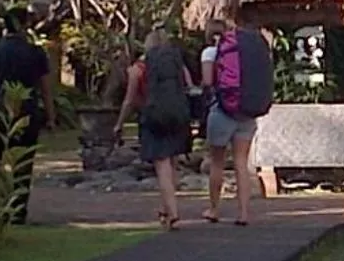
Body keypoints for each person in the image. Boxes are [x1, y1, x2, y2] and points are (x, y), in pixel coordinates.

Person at [113, 27, 197, 228]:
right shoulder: (178, 65)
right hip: (178, 117)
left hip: (153, 119)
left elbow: (129, 101)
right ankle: (167, 206)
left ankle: (172, 212)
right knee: (172, 164)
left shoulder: (138, 69)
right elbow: (189, 87)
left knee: (162, 167)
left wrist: (119, 124)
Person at [201, 13, 275, 225]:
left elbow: (207, 81)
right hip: (247, 111)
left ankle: (214, 209)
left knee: (217, 162)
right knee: (241, 162)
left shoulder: (210, 52)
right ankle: (243, 212)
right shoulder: (245, 51)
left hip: (222, 110)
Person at [0, 8, 55, 226]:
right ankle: (18, 211)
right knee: (24, 163)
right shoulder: (36, 53)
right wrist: (51, 116)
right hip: (28, 110)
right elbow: (46, 88)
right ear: (24, 24)